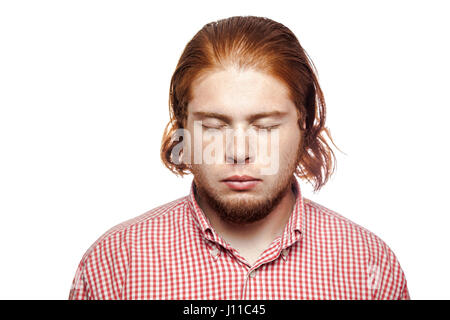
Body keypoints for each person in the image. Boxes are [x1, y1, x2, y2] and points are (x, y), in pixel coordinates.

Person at [69, 15, 409, 300]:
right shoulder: (115, 263)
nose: (239, 152)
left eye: (265, 127)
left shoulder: (369, 266)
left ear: (304, 125)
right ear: (183, 129)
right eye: (214, 126)